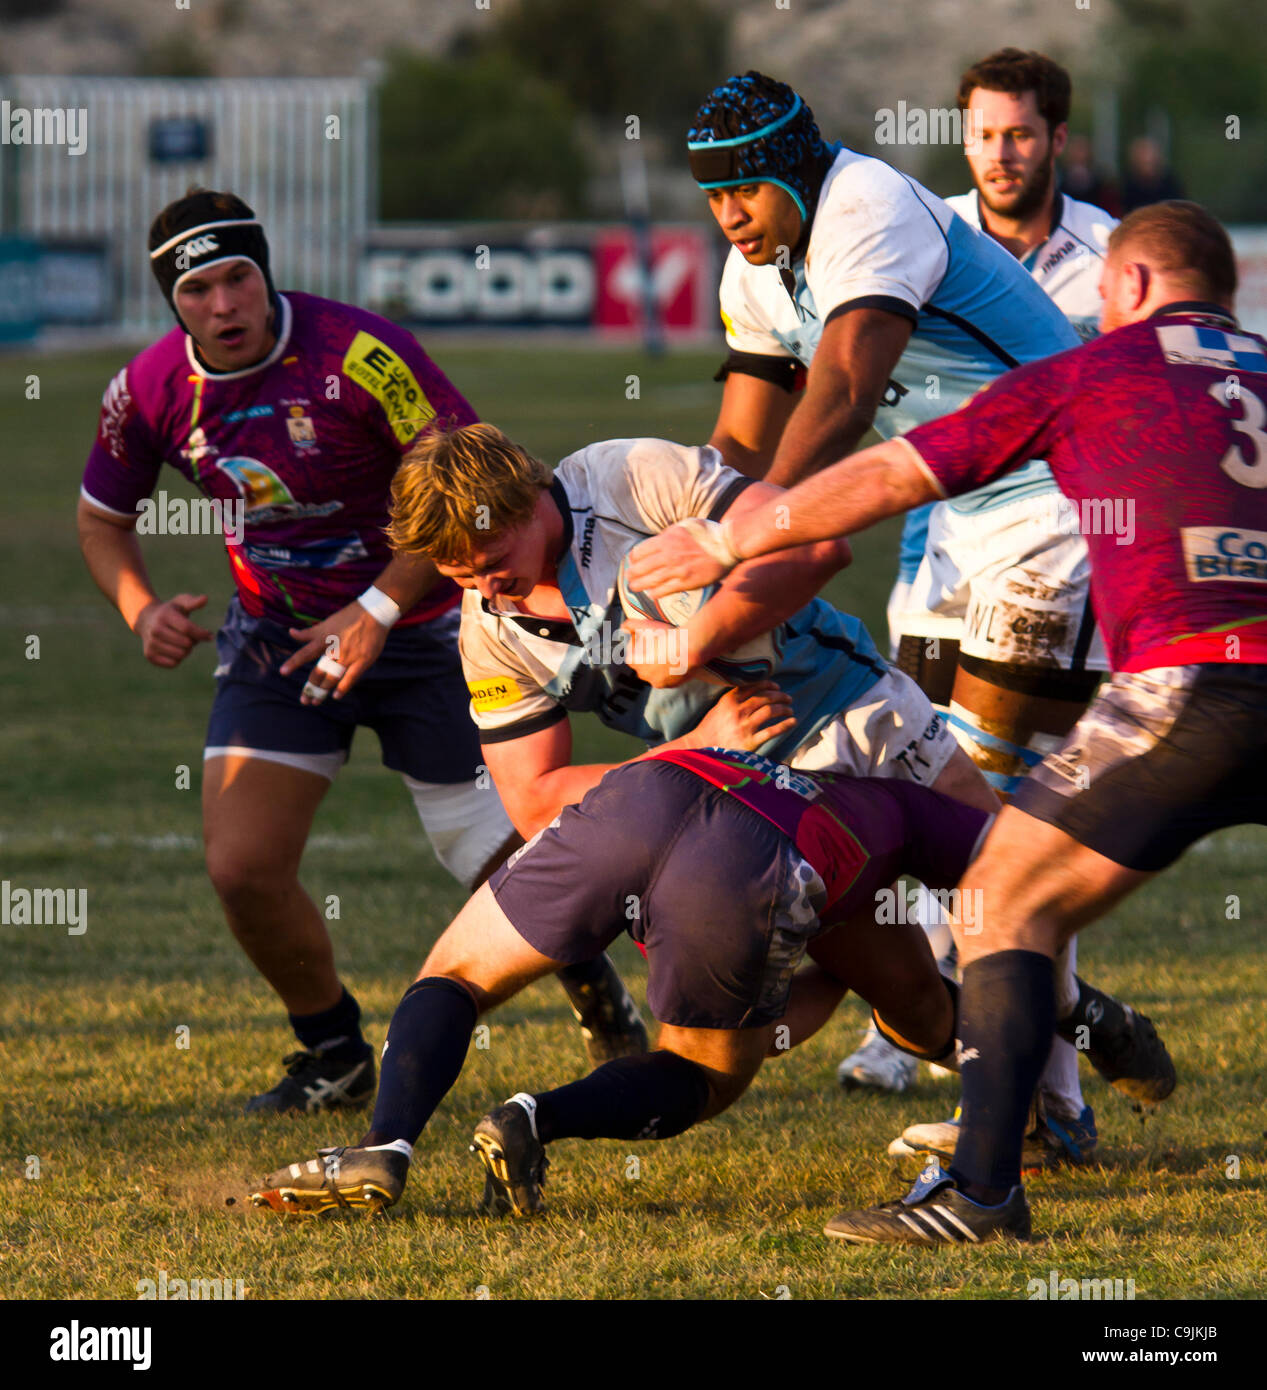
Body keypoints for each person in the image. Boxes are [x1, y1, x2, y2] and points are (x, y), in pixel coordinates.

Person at [627, 200, 1267, 1242]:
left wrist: (728, 539)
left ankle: (980, 1195)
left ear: (1134, 287)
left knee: (1001, 901)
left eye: (1105, 291)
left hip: (1193, 683)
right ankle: (1045, 1114)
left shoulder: (1096, 370)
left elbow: (888, 473)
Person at [76, 188, 643, 1116]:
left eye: (237, 278)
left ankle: (593, 986)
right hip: (277, 643)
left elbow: (468, 485)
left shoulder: (361, 355)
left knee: (499, 853)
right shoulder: (146, 392)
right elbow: (100, 518)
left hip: (425, 633)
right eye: (197, 291)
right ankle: (333, 1052)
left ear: (264, 274)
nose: (223, 305)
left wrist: (379, 606)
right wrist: (139, 608)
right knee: (241, 866)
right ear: (169, 302)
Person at [684, 70, 1144, 1100]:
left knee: (979, 822)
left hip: (1058, 505)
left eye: (745, 191)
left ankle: (1028, 1088)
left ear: (796, 169)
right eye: (710, 197)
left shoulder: (870, 204)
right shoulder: (751, 270)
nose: (728, 216)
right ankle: (1067, 1043)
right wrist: (687, 528)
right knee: (944, 813)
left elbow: (843, 390)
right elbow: (739, 443)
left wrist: (740, 539)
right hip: (950, 524)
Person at [248, 747, 996, 1217]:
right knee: (702, 1073)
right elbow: (1014, 876)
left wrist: (831, 976)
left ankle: (385, 1143)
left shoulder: (797, 773)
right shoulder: (907, 813)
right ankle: (530, 1119)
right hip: (752, 854)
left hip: (652, 782)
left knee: (454, 973)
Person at [885, 48, 1122, 1162]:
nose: (999, 153)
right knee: (959, 824)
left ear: (1056, 139)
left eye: (1020, 134)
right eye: (982, 134)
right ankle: (1052, 1089)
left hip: (1056, 563)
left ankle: (1027, 1096)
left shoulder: (1110, 259)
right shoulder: (927, 232)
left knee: (998, 831)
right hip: (933, 558)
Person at [384, 424, 998, 852]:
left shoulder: (624, 478)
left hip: (851, 706)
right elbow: (534, 802)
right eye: (459, 576)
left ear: (523, 503)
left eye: (491, 561)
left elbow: (817, 541)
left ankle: (1077, 1016)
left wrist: (692, 642)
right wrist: (693, 754)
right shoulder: (487, 632)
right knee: (871, 980)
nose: (488, 589)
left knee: (996, 869)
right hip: (727, 788)